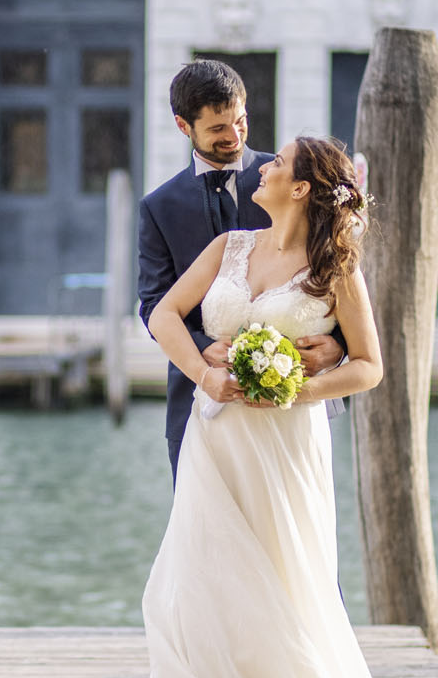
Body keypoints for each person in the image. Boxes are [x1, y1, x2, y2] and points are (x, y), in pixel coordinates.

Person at [17, 135, 412, 678]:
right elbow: (167, 314)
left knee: (286, 568)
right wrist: (204, 372)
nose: (264, 166)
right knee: (205, 568)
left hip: (287, 443)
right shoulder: (229, 247)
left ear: (304, 189)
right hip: (218, 432)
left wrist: (295, 387)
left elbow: (369, 366)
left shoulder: (333, 270)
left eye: (278, 163)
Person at [136, 61, 343, 482]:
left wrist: (337, 346)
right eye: (217, 130)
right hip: (198, 397)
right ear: (183, 126)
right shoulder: (159, 208)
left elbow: (335, 270)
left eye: (241, 121)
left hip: (287, 404)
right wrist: (201, 350)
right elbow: (154, 304)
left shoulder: (286, 178)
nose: (234, 137)